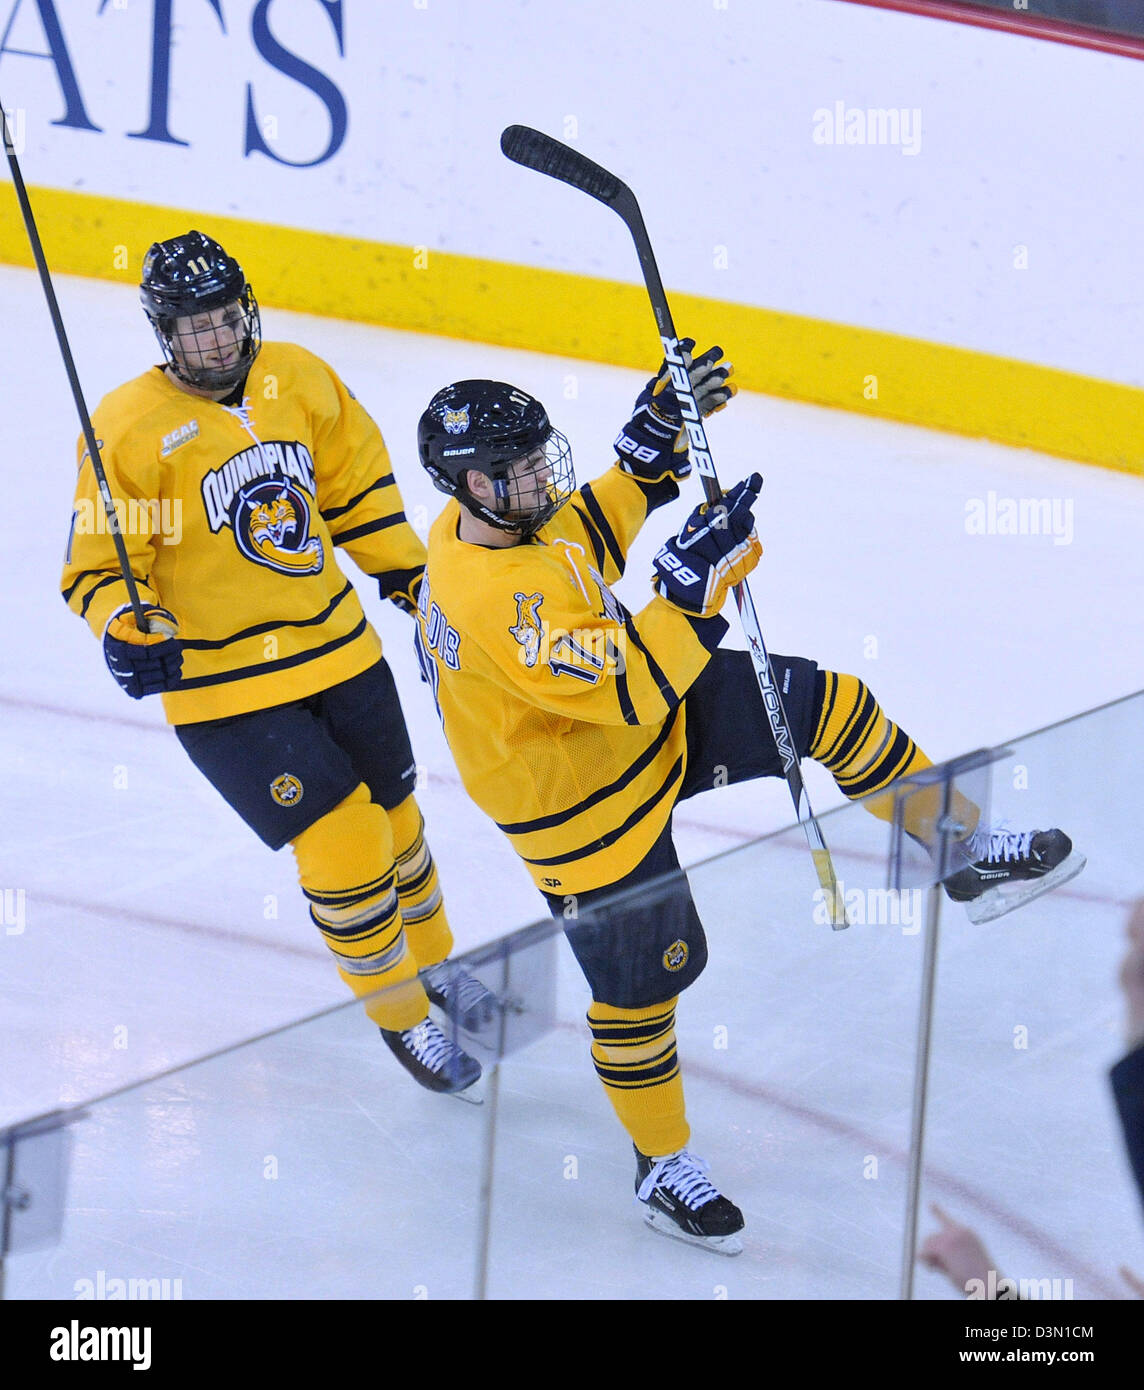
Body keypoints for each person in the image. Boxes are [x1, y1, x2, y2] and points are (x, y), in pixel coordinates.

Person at [410, 346, 1084, 1252]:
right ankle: (660, 1164)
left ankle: (955, 850)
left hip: (646, 730)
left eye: (540, 456)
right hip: (583, 810)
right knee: (647, 990)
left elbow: (587, 537)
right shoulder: (489, 597)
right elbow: (630, 683)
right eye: (518, 467)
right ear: (470, 484)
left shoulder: (501, 526)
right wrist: (690, 593)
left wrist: (647, 455)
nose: (540, 476)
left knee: (830, 705)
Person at [60, 230, 493, 1095]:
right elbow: (102, 568)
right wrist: (124, 626)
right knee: (345, 844)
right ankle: (400, 1015)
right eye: (196, 326)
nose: (217, 339)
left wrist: (409, 576)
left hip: (339, 650)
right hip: (226, 693)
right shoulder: (128, 428)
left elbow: (355, 489)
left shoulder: (297, 375)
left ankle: (437, 963)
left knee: (400, 822)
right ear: (164, 331)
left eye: (226, 319)